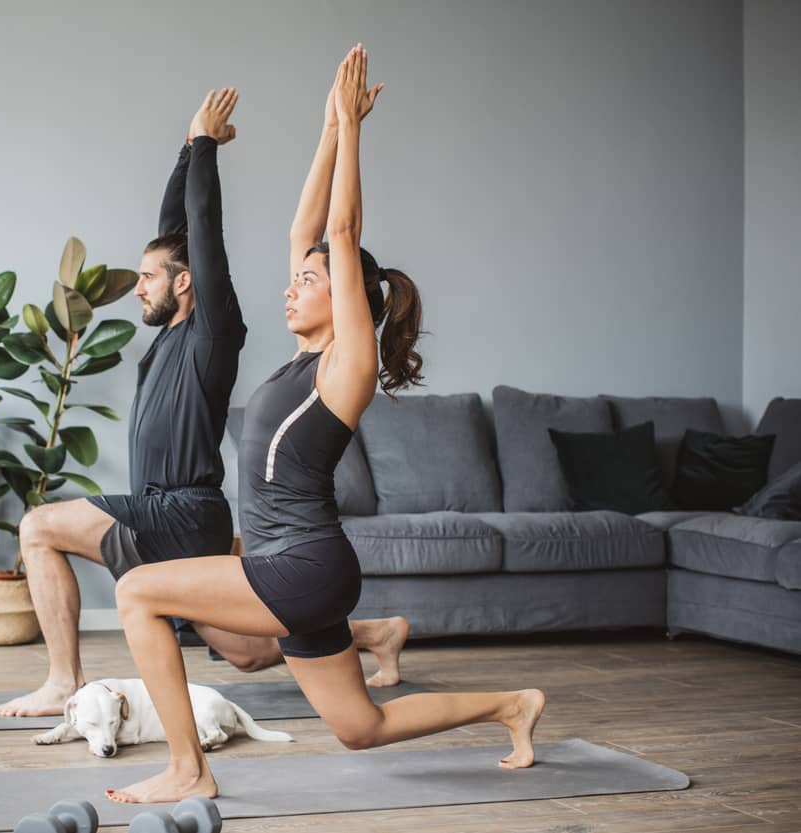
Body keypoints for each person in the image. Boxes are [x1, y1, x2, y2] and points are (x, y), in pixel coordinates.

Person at [106, 45, 546, 805]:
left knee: (139, 590)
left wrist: (352, 130)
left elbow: (338, 235)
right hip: (297, 566)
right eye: (296, 278)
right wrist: (325, 129)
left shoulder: (349, 364)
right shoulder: (298, 360)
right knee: (358, 726)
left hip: (298, 565)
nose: (291, 287)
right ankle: (512, 705)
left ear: (346, 300)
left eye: (308, 282)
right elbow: (306, 230)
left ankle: (188, 768)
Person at [0, 88, 407, 719]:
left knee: (39, 527)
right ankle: (371, 634)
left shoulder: (213, 331)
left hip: (183, 511)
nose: (140, 288)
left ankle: (61, 682)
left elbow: (202, 230)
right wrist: (188, 150)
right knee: (247, 652)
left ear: (186, 282)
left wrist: (207, 146)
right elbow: (177, 228)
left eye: (151, 277)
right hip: (162, 515)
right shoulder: (166, 340)